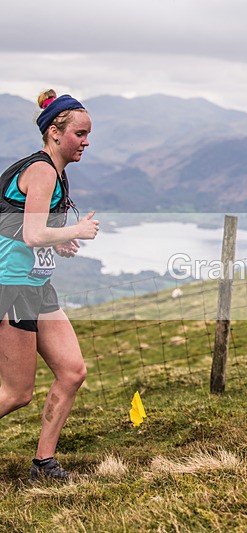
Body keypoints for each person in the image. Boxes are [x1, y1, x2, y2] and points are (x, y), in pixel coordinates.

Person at [0, 90, 99, 481]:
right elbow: (32, 233)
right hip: (11, 289)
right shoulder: (41, 170)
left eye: (88, 134)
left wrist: (63, 240)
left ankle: (44, 464)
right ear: (55, 133)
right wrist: (77, 229)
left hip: (37, 287)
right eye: (80, 133)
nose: (86, 141)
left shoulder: (57, 171)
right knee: (17, 393)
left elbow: (31, 232)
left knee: (73, 371)